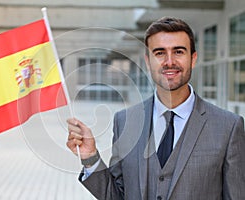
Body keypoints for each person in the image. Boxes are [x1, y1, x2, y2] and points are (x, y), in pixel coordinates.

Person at [66, 17, 245, 200]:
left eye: (178, 52)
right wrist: (90, 158)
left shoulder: (228, 127)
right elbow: (117, 196)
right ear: (148, 61)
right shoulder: (125, 122)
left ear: (193, 59)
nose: (169, 61)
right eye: (160, 53)